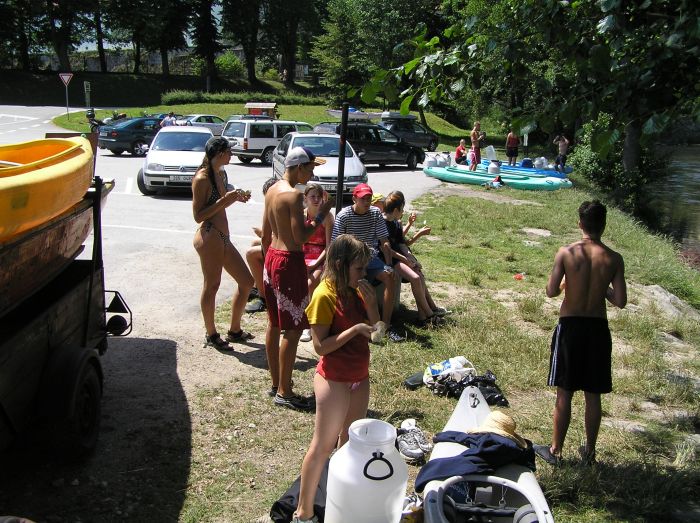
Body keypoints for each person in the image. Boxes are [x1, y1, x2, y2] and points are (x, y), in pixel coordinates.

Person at [293, 234, 380, 523]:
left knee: (350, 445)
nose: (363, 274)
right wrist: (354, 330)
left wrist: (372, 308)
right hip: (334, 380)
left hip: (359, 376)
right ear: (341, 265)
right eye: (359, 268)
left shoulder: (357, 289)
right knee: (322, 447)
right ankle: (303, 512)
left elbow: (378, 334)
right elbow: (320, 347)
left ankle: (338, 501)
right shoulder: (324, 295)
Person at [535, 200, 627, 466]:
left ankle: (555, 451)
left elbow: (550, 291)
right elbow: (620, 300)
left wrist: (566, 283)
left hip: (570, 327)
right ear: (604, 225)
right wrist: (602, 285)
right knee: (592, 393)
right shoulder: (614, 258)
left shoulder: (566, 253)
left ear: (580, 224)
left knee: (564, 391)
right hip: (597, 329)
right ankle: (590, 453)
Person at [262, 146, 335, 410]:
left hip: (272, 257)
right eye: (311, 168)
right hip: (288, 260)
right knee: (292, 330)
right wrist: (324, 212)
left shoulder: (272, 190)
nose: (312, 173)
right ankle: (285, 392)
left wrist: (268, 265)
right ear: (299, 167)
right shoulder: (293, 196)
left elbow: (265, 235)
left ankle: (276, 383)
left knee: (274, 323)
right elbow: (301, 237)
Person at [192, 136, 255, 351]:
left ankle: (234, 330)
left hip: (223, 237)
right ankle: (211, 334)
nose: (232, 154)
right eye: (229, 151)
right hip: (210, 237)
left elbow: (219, 204)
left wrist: (234, 198)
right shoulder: (202, 178)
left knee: (247, 282)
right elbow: (198, 216)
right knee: (212, 286)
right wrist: (225, 201)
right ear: (220, 153)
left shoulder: (220, 173)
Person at [332, 183, 405, 343]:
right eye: (363, 198)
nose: (366, 202)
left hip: (371, 258)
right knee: (355, 283)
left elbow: (384, 240)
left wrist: (388, 264)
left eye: (369, 198)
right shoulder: (344, 215)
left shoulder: (375, 213)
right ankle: (353, 322)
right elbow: (336, 245)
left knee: (389, 277)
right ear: (354, 199)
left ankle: (386, 325)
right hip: (350, 259)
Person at [382, 191, 446, 326]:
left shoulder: (396, 222)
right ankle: (430, 315)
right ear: (395, 210)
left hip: (400, 257)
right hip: (389, 259)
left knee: (419, 276)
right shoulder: (381, 223)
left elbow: (401, 244)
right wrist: (405, 260)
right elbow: (386, 249)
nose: (403, 212)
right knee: (415, 278)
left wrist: (411, 258)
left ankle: (422, 317)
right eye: (402, 209)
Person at [300, 184, 335, 343]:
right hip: (302, 254)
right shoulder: (302, 215)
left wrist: (314, 265)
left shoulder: (327, 217)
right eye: (312, 196)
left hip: (320, 256)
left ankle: (308, 324)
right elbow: (297, 240)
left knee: (310, 284)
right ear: (305, 198)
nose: (315, 200)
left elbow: (328, 247)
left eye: (318, 197)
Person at [244, 178, 279, 314]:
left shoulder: (281, 206)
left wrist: (262, 234)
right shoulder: (275, 206)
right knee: (254, 243)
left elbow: (273, 238)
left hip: (285, 249)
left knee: (251, 254)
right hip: (278, 244)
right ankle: (257, 286)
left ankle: (264, 298)